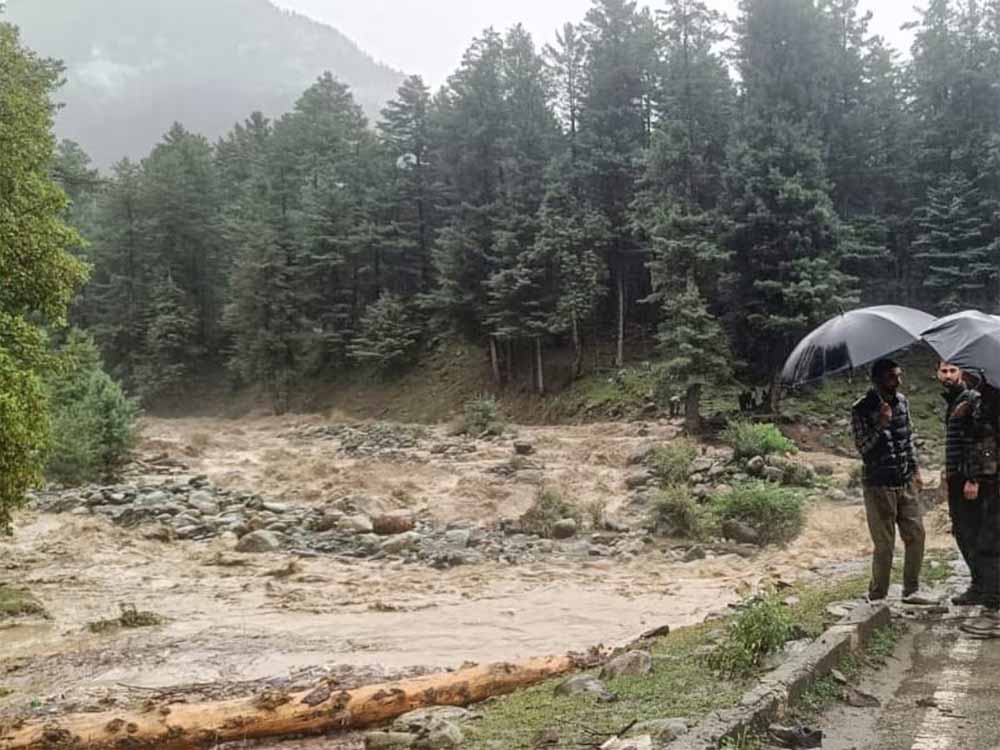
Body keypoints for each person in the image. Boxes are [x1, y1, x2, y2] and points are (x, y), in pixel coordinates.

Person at [851, 358, 929, 603]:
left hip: (904, 479)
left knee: (917, 535)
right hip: (878, 484)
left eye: (899, 375)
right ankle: (877, 594)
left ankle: (912, 589)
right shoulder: (861, 408)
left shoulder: (903, 402)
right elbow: (863, 448)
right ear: (878, 379)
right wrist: (880, 423)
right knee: (884, 544)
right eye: (892, 376)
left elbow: (907, 438)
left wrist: (916, 470)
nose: (898, 381)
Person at [939, 362, 982, 604]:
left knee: (971, 531)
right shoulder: (954, 401)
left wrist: (972, 478)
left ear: (962, 373)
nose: (947, 375)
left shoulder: (971, 399)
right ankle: (979, 583)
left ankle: (982, 586)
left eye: (952, 370)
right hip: (956, 478)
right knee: (963, 531)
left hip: (968, 479)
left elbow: (978, 440)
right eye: (943, 371)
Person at [957, 370, 1000, 612]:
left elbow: (985, 443)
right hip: (989, 478)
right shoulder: (982, 397)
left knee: (989, 540)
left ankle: (993, 598)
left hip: (991, 479)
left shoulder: (991, 399)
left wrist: (974, 477)